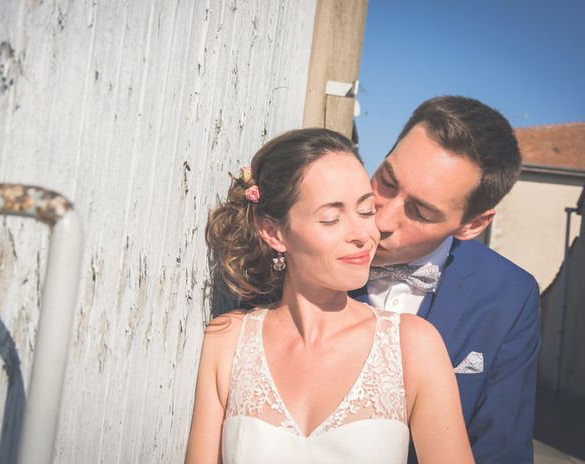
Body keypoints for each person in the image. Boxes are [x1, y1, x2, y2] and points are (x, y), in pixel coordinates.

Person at [186, 128, 474, 464]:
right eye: (331, 218)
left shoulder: (413, 345)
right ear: (274, 232)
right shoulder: (227, 340)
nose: (364, 235)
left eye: (366, 212)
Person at [351, 96, 540, 463]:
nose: (382, 220)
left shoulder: (509, 296)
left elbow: (501, 449)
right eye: (387, 182)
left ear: (472, 225)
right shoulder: (306, 242)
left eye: (420, 212)